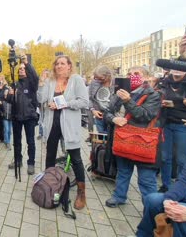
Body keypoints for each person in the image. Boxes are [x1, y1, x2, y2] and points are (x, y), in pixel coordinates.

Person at [103, 66, 161, 208]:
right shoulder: (120, 92)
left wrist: (128, 101)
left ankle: (151, 209)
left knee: (146, 180)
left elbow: (145, 115)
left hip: (143, 141)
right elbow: (107, 112)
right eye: (129, 74)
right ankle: (119, 196)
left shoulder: (153, 95)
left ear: (146, 77)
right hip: (123, 139)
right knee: (123, 172)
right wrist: (113, 119)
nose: (132, 76)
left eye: (136, 74)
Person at [37, 54, 88, 209]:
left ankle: (81, 192)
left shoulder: (76, 80)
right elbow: (41, 99)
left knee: (76, 158)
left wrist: (63, 103)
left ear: (69, 66)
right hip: (52, 124)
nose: (59, 66)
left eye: (62, 63)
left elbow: (84, 102)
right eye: (57, 63)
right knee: (50, 156)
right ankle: (49, 186)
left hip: (69, 126)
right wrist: (41, 83)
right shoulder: (51, 81)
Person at [136, 155, 186, 237]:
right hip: (185, 199)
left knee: (179, 214)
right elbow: (183, 182)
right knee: (152, 200)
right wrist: (169, 199)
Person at [158, 70, 186, 193]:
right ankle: (166, 186)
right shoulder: (163, 83)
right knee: (165, 158)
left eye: (180, 70)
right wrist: (160, 104)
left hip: (185, 126)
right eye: (174, 69)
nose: (177, 73)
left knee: (182, 160)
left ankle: (181, 189)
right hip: (167, 124)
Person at [6, 55, 39, 175]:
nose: (20, 69)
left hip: (29, 117)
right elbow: (9, 100)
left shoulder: (31, 83)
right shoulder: (14, 84)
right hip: (16, 117)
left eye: (23, 68)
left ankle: (31, 163)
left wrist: (26, 63)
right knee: (17, 141)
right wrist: (9, 95)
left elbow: (35, 76)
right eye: (19, 68)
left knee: (30, 141)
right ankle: (18, 160)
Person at [89, 65, 114, 134]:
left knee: (111, 139)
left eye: (101, 78)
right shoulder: (94, 83)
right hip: (99, 115)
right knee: (101, 138)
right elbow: (89, 98)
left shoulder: (116, 83)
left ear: (108, 75)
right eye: (96, 78)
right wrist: (93, 110)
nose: (98, 80)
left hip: (113, 116)